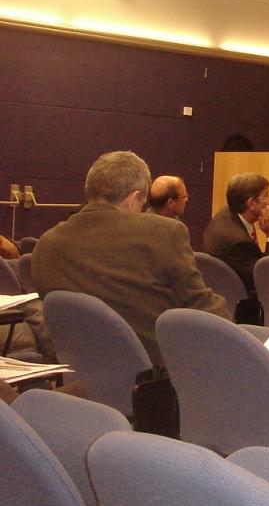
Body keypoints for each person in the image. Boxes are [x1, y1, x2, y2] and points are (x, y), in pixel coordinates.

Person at [32, 151, 229, 365]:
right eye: (141, 204)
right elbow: (200, 303)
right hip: (160, 370)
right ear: (133, 198)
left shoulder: (46, 244)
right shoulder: (164, 232)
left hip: (81, 369)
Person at [202, 173, 269, 294]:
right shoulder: (238, 242)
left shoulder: (228, 212)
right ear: (251, 204)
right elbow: (268, 279)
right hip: (240, 299)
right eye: (266, 195)